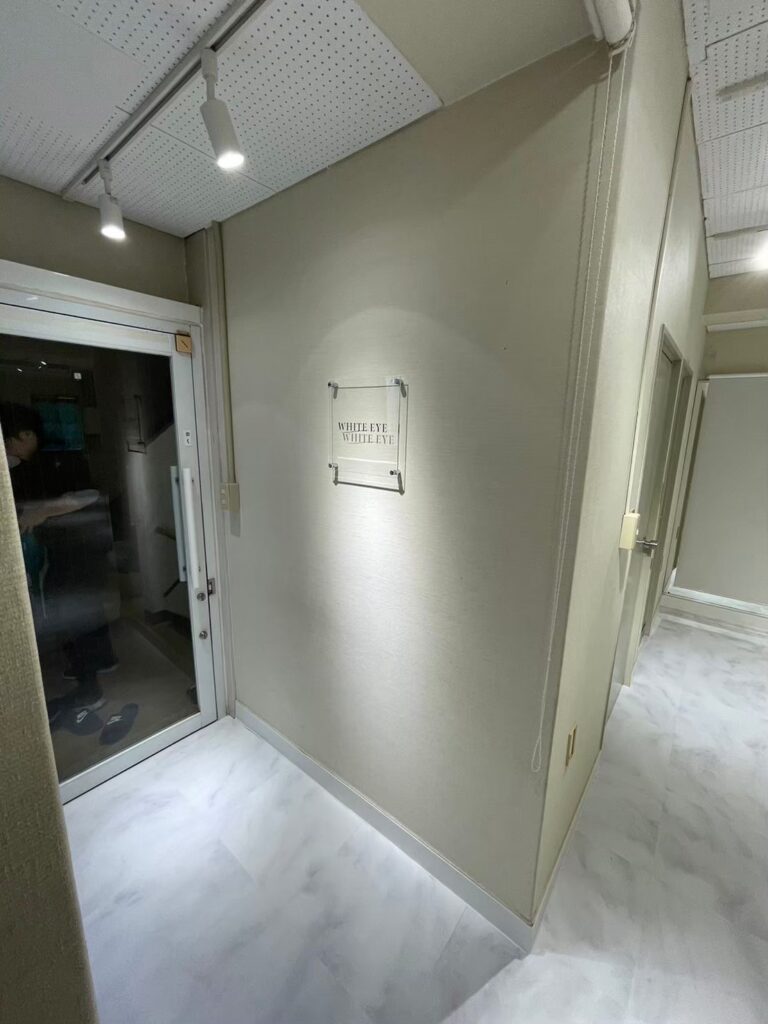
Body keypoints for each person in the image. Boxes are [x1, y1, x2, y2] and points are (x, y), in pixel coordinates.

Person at [1, 401, 116, 719]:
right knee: (89, 611)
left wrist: (43, 511)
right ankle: (104, 661)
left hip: (78, 552)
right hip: (79, 550)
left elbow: (88, 494)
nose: (7, 448)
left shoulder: (57, 459)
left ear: (26, 435)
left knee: (71, 616)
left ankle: (90, 690)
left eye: (8, 441)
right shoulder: (32, 463)